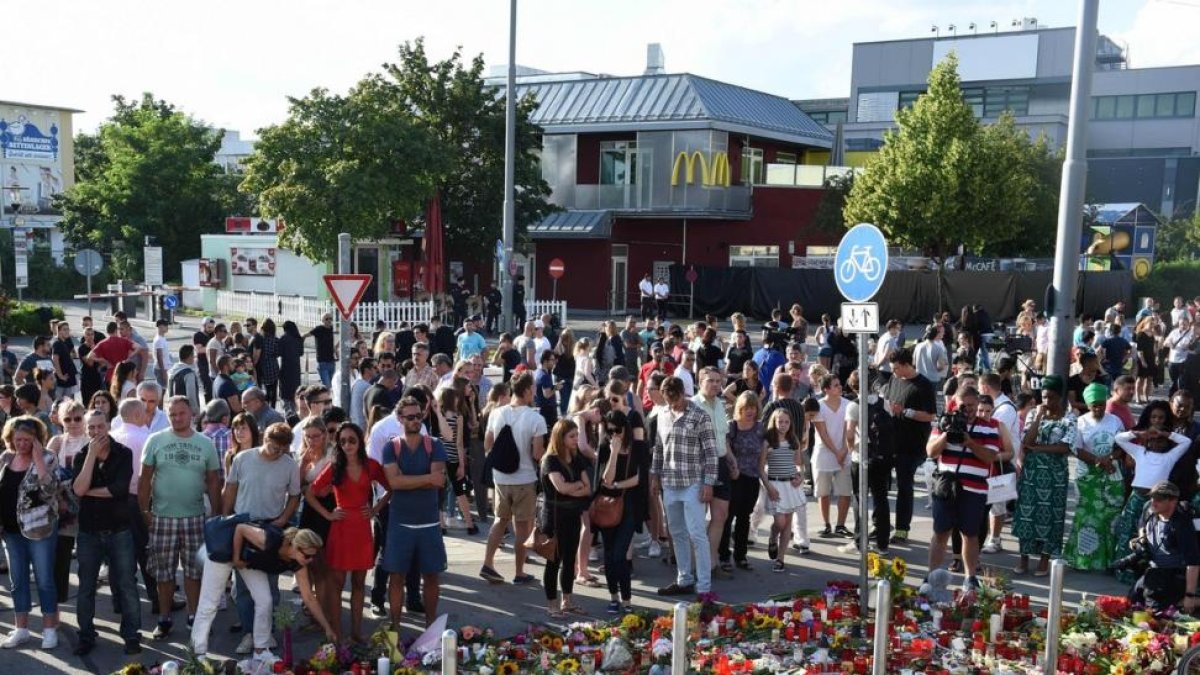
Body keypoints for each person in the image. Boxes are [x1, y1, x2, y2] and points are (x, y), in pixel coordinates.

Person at [138, 396, 221, 641]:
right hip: (162, 517)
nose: (177, 418)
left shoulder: (205, 444)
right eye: (172, 414)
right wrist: (145, 512)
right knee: (164, 573)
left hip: (195, 517)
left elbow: (214, 481)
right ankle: (164, 618)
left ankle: (194, 617)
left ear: (192, 414)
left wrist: (216, 515)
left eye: (181, 413)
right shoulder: (155, 441)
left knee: (194, 572)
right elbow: (144, 480)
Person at [192, 525, 335, 663]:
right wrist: (236, 559)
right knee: (210, 603)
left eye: (313, 556)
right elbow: (240, 528)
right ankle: (197, 652)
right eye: (308, 555)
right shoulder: (271, 539)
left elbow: (309, 598)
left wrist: (327, 628)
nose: (310, 560)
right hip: (225, 551)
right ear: (295, 546)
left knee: (265, 600)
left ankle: (261, 649)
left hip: (247, 559)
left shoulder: (298, 562)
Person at [223, 421, 302, 655]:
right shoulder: (243, 459)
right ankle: (250, 632)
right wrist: (226, 518)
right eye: (273, 446)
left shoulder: (289, 465)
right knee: (243, 586)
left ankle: (266, 633)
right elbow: (231, 490)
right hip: (243, 525)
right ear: (264, 439)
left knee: (270, 586)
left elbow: (295, 496)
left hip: (271, 527)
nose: (277, 452)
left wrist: (283, 518)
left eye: (282, 449)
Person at [307, 422, 388, 642]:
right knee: (337, 584)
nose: (347, 445)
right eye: (342, 441)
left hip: (362, 529)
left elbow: (390, 487)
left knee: (360, 584)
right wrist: (328, 514)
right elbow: (310, 492)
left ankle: (356, 633)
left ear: (360, 441)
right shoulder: (335, 467)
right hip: (340, 528)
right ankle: (337, 634)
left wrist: (375, 509)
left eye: (351, 440)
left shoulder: (371, 465)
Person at [71, 410, 141, 656]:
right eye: (91, 428)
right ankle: (86, 635)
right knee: (86, 586)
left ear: (108, 426)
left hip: (119, 530)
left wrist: (88, 489)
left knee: (126, 584)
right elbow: (78, 489)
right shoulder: (82, 455)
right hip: (89, 531)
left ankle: (132, 635)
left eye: (100, 427)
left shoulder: (123, 453)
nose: (95, 432)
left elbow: (118, 490)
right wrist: (90, 456)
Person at [925, 387, 1000, 591]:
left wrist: (969, 442)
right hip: (946, 487)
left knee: (970, 533)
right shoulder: (944, 423)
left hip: (974, 489)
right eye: (962, 406)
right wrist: (946, 436)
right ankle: (931, 577)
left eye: (971, 406)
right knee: (940, 532)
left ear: (977, 405)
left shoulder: (990, 427)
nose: (966, 410)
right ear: (954, 404)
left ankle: (970, 578)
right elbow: (931, 452)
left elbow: (990, 457)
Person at [381, 396, 447, 626]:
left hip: (429, 522)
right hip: (400, 523)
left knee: (431, 576)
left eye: (419, 416)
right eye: (410, 417)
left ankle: (431, 626)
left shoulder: (434, 445)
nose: (416, 421)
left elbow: (438, 481)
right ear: (400, 419)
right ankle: (395, 626)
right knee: (396, 576)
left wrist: (407, 479)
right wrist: (427, 478)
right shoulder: (391, 447)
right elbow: (394, 483)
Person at [651, 375, 718, 596]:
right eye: (669, 401)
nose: (673, 405)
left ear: (683, 394)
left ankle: (705, 587)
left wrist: (708, 483)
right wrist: (654, 475)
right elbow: (658, 448)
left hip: (693, 483)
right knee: (677, 532)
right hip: (669, 483)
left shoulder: (700, 416)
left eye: (676, 401)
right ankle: (684, 579)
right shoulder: (662, 414)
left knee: (697, 534)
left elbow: (711, 453)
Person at [1112, 402, 1194, 583]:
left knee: (1151, 539)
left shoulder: (1170, 456)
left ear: (1167, 442)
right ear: (1147, 440)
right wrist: (1140, 433)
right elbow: (1119, 439)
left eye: (1160, 440)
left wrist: (1165, 433)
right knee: (1128, 533)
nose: (1156, 442)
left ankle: (1146, 573)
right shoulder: (1140, 451)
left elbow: (1186, 441)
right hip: (1136, 498)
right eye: (1153, 439)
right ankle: (1123, 573)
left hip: (1157, 503)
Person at [0, 416, 62, 649]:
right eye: (18, 439)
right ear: (10, 438)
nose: (22, 444)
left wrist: (37, 458)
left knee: (45, 580)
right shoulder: (6, 458)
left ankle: (48, 629)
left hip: (40, 531)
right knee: (18, 581)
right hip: (11, 532)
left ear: (36, 439)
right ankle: (22, 629)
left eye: (27, 440)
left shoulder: (48, 457)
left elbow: (51, 490)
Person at [480, 372, 547, 584]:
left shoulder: (497, 413)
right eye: (533, 388)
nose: (535, 392)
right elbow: (537, 454)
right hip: (524, 478)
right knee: (523, 526)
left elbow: (487, 445)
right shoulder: (536, 418)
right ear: (527, 391)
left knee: (500, 521)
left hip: (500, 477)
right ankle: (519, 572)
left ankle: (488, 564)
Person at [1011, 375, 1076, 577]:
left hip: (1055, 476)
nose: (1047, 401)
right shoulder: (1033, 414)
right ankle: (1024, 559)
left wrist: (1037, 448)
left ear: (1060, 397)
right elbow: (1026, 441)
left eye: (1051, 397)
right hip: (1031, 474)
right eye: (1044, 397)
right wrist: (1039, 417)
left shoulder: (1070, 418)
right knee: (1026, 515)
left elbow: (1065, 447)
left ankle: (1044, 560)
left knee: (1051, 518)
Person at [1063, 383, 1126, 571]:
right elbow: (1076, 449)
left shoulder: (1115, 421)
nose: (1098, 408)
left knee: (1110, 517)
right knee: (1087, 517)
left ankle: (1108, 561)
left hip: (1111, 475)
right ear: (1088, 405)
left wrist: (1110, 458)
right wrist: (1098, 460)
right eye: (1094, 405)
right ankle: (1084, 560)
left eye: (1101, 404)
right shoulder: (1080, 422)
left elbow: (1122, 445)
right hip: (1087, 476)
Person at [880, 348, 937, 544]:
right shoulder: (894, 380)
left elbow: (930, 415)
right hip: (890, 442)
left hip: (912, 445)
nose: (893, 372)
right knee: (882, 485)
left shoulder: (924, 385)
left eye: (896, 368)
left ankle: (902, 528)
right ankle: (880, 524)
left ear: (906, 365)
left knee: (905, 486)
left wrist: (906, 412)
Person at [538, 419, 592, 618]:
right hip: (554, 517)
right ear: (560, 438)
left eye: (577, 435)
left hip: (572, 515)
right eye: (572, 436)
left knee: (570, 561)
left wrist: (575, 489)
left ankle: (567, 601)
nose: (576, 439)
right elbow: (560, 488)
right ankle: (552, 605)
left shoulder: (576, 458)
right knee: (554, 561)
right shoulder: (550, 460)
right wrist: (577, 487)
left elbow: (588, 487)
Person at [595, 410, 644, 613]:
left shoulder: (638, 447)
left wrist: (618, 486)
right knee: (608, 554)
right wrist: (614, 452)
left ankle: (627, 600)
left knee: (619, 555)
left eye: (618, 430)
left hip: (629, 505)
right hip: (607, 506)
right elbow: (605, 479)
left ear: (626, 428)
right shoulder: (606, 447)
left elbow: (639, 478)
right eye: (610, 430)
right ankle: (613, 597)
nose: (614, 434)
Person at [1125, 480, 1200, 611]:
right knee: (1132, 602)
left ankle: (1193, 600)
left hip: (1175, 572)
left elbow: (1193, 564)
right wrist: (1140, 540)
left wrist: (1190, 596)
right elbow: (1142, 525)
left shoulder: (1182, 525)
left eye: (1159, 499)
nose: (1154, 502)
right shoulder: (1149, 508)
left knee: (1156, 611)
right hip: (1154, 570)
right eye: (1152, 497)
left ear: (1173, 501)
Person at [47, 399, 88, 604]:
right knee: (61, 558)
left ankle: (86, 602)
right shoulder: (56, 442)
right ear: (61, 421)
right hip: (62, 510)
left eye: (78, 418)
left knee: (87, 559)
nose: (73, 423)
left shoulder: (91, 440)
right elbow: (45, 472)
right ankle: (58, 601)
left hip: (88, 507)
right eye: (68, 419)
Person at [720, 392, 764, 573]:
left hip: (752, 478)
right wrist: (733, 465)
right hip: (734, 477)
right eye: (746, 408)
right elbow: (725, 445)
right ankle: (723, 555)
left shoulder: (760, 428)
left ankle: (740, 555)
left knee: (744, 517)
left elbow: (765, 450)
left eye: (753, 408)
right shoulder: (732, 426)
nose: (750, 411)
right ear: (739, 408)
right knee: (727, 517)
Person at [760, 407, 805, 573]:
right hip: (775, 485)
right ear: (774, 421)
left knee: (787, 525)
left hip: (791, 486)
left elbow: (799, 464)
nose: (783, 425)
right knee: (779, 522)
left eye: (786, 422)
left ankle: (781, 558)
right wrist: (768, 486)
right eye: (780, 421)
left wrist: (799, 477)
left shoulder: (794, 440)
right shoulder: (768, 442)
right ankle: (772, 537)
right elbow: (760, 468)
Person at [812, 374, 852, 538]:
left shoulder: (848, 404)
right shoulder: (819, 406)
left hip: (845, 453)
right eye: (835, 385)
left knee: (845, 491)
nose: (840, 387)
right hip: (824, 454)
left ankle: (840, 525)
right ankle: (826, 524)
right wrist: (837, 453)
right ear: (826, 389)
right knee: (823, 491)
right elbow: (823, 433)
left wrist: (843, 450)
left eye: (839, 384)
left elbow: (847, 429)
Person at [251, 318, 282, 407]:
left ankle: (265, 406)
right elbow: (278, 353)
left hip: (263, 365)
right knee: (274, 388)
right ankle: (273, 407)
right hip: (273, 365)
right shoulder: (276, 340)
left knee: (265, 388)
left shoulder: (261, 339)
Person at [278, 321, 305, 416]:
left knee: (285, 393)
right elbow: (301, 353)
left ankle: (289, 414)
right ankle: (296, 413)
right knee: (295, 391)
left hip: (286, 368)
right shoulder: (298, 338)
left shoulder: (283, 338)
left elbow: (278, 352)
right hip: (296, 368)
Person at [167, 345, 202, 417]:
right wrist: (196, 412)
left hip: (173, 410)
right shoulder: (188, 373)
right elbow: (191, 396)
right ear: (190, 356)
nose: (194, 358)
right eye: (193, 355)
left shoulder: (172, 371)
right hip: (185, 412)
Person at [50, 321, 79, 401]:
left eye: (68, 329)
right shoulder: (57, 343)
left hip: (69, 378)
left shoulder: (64, 342)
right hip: (62, 381)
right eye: (64, 329)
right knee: (62, 403)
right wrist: (60, 375)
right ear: (59, 331)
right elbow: (55, 359)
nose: (67, 331)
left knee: (70, 402)